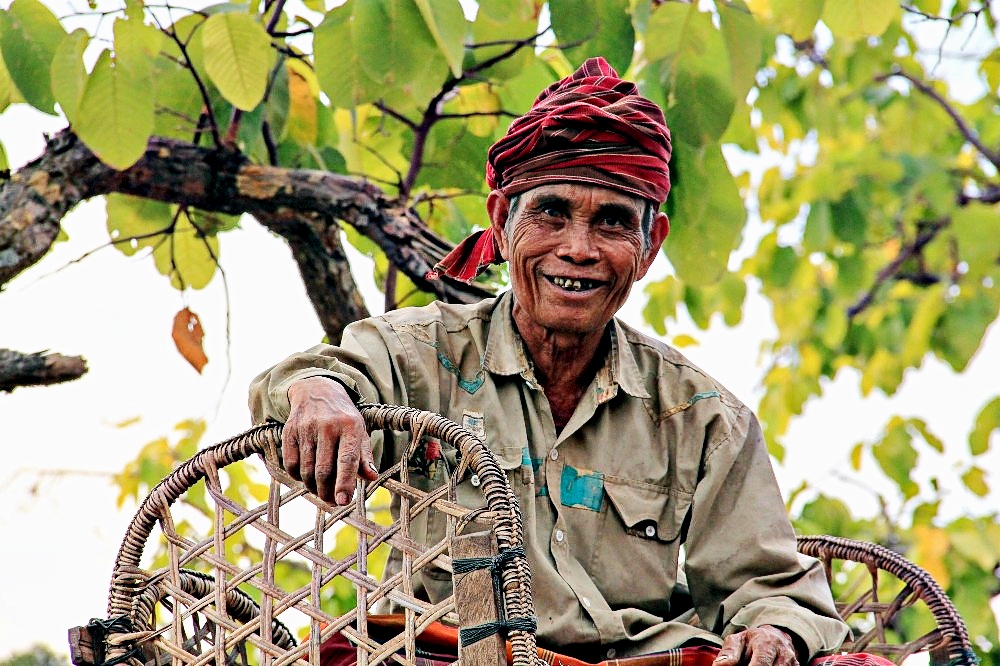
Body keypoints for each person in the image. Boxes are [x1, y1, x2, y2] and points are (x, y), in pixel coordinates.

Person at [250, 58, 850, 666]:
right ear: (501, 224)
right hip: (452, 655)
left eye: (612, 223)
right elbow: (317, 376)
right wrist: (320, 395)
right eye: (551, 212)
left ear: (650, 247)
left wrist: (775, 633)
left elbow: (771, 588)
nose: (578, 249)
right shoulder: (422, 353)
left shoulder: (702, 418)